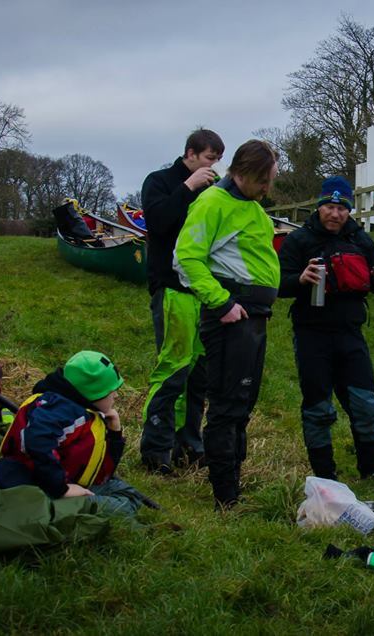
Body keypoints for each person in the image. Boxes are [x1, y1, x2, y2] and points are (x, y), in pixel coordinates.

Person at [173, 139, 280, 509]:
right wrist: (221, 303)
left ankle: (235, 479)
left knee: (244, 402)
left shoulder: (254, 209)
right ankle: (225, 495)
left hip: (255, 316)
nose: (268, 189)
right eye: (264, 180)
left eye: (271, 180)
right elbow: (186, 258)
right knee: (226, 403)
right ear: (243, 172)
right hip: (231, 315)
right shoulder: (212, 202)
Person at [277, 176, 374, 481]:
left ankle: (372, 474)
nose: (335, 214)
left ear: (348, 211)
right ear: (319, 206)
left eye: (342, 208)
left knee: (366, 404)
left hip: (350, 334)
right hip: (312, 334)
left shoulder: (361, 240)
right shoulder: (299, 241)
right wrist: (299, 280)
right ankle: (325, 477)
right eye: (329, 206)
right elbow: (276, 283)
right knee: (318, 407)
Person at [140, 129, 225, 474]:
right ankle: (156, 447)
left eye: (218, 161)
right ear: (190, 154)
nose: (213, 166)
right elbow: (158, 222)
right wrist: (188, 187)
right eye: (209, 159)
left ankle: (189, 444)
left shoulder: (213, 192)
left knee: (199, 376)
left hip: (202, 291)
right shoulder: (159, 181)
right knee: (173, 368)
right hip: (171, 287)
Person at [0, 350, 125, 498]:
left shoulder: (83, 410)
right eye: (111, 391)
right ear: (94, 393)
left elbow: (103, 470)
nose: (116, 395)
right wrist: (61, 489)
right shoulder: (62, 413)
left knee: (124, 493)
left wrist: (115, 433)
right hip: (32, 487)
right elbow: (37, 439)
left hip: (59, 482)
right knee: (125, 503)